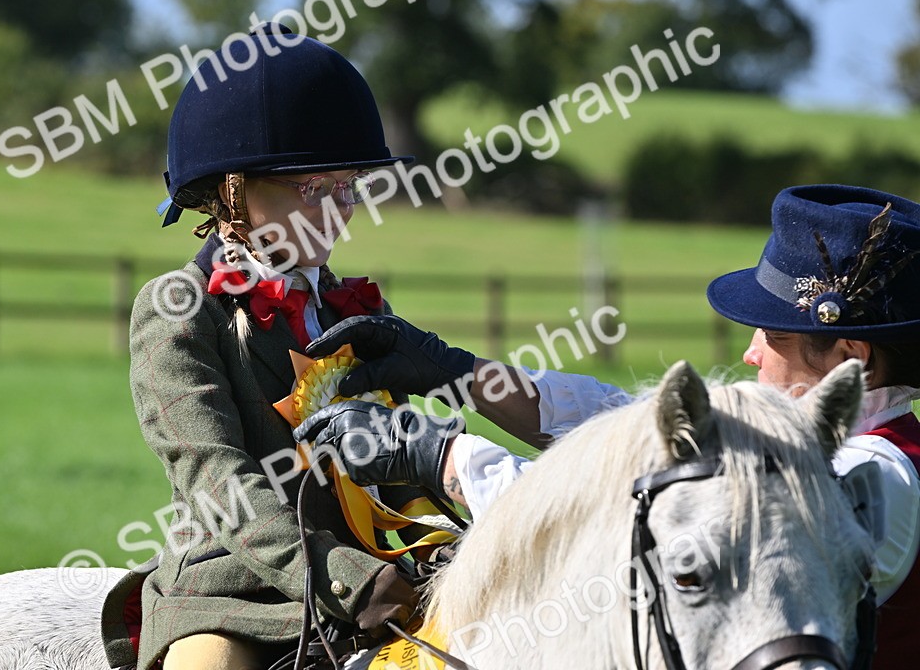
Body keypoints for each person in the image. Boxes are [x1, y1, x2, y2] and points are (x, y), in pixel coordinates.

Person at [296, 184, 920, 670]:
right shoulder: (802, 447)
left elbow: (621, 534)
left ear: (852, 359)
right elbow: (623, 427)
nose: (753, 352)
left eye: (777, 335)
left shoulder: (873, 476)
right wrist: (455, 370)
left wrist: (444, 458)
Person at [101, 23, 441, 670]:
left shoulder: (360, 311)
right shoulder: (180, 309)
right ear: (233, 190)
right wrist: (341, 572)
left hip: (383, 577)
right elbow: (214, 476)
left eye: (349, 186)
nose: (338, 211)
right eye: (312, 189)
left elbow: (396, 452)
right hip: (237, 592)